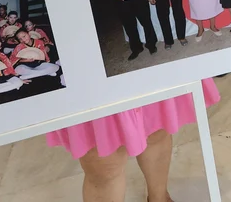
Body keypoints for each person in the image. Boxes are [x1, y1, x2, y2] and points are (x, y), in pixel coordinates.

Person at [46, 78, 219, 202]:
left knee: (155, 127)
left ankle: (159, 198)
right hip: (81, 60)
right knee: (103, 164)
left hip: (135, 50)